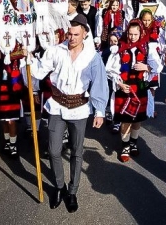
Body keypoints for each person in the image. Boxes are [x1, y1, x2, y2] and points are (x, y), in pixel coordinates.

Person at [27, 14, 109, 212]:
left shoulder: (93, 57)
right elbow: (38, 72)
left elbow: (99, 84)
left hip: (80, 108)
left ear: (84, 35)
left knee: (76, 151)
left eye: (76, 34)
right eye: (69, 33)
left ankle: (72, 191)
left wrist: (99, 112)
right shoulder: (55, 51)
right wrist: (28, 56)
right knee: (54, 150)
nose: (71, 38)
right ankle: (58, 186)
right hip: (56, 105)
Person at [107, 20, 161, 162]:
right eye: (130, 34)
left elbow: (157, 67)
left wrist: (146, 68)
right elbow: (110, 70)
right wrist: (119, 84)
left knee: (137, 119)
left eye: (135, 34)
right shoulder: (119, 47)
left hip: (140, 87)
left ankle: (133, 142)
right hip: (124, 88)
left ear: (141, 33)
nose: (132, 37)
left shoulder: (147, 47)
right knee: (126, 119)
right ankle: (125, 146)